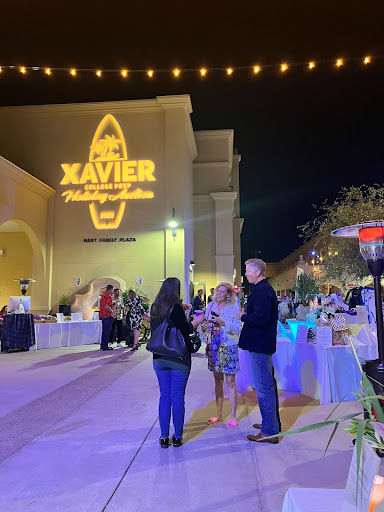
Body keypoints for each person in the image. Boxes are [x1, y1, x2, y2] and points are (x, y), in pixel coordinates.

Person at [150, 277, 205, 448]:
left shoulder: (155, 306)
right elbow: (186, 329)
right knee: (178, 396)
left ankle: (164, 437)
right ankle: (178, 437)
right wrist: (196, 321)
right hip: (178, 357)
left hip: (159, 357)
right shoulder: (175, 307)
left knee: (165, 396)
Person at [238, 258, 281, 444]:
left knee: (263, 388)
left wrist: (243, 316)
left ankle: (269, 431)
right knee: (266, 386)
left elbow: (261, 318)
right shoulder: (263, 289)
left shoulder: (262, 291)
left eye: (248, 270)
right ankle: (270, 425)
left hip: (259, 345)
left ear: (257, 272)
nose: (246, 273)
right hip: (260, 344)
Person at [202, 283, 241, 428]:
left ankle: (233, 416)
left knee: (230, 381)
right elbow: (204, 327)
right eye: (217, 291)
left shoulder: (233, 308)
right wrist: (204, 328)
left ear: (228, 294)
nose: (218, 293)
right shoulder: (210, 306)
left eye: (222, 291)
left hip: (228, 346)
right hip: (214, 346)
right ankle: (218, 415)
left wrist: (223, 323)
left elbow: (237, 330)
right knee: (217, 381)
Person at [99, 285, 114, 351]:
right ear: (110, 290)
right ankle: (105, 346)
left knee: (104, 331)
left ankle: (103, 345)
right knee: (107, 331)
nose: (112, 292)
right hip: (107, 316)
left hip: (102, 315)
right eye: (112, 290)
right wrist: (112, 312)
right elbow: (107, 306)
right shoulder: (108, 296)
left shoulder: (103, 296)